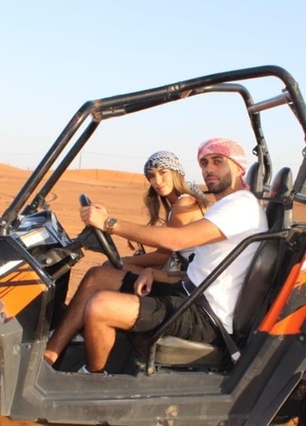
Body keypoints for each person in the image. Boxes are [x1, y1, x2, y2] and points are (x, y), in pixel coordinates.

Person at [74, 137, 268, 373]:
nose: (208, 169)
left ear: (238, 168)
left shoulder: (240, 206)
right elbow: (200, 270)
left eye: (217, 161)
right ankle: (50, 355)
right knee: (99, 276)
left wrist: (109, 222)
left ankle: (92, 382)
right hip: (189, 293)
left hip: (206, 316)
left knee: (100, 306)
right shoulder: (225, 206)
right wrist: (154, 273)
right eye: (204, 163)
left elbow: (175, 241)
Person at [43, 151, 208, 366]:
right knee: (105, 270)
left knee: (100, 274)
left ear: (176, 172)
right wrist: (128, 256)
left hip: (183, 282)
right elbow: (163, 248)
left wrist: (122, 257)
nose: (157, 181)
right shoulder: (177, 203)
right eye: (151, 176)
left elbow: (165, 252)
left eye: (162, 173)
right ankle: (74, 338)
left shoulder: (185, 204)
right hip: (178, 275)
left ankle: (52, 353)